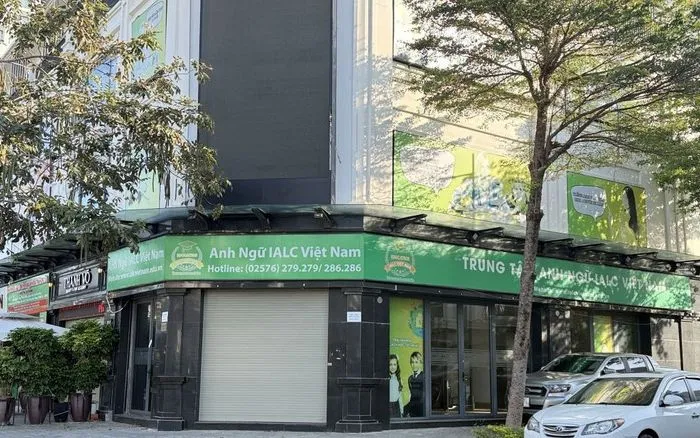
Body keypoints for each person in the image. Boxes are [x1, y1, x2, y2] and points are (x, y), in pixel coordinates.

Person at [405, 351, 424, 417]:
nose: (414, 365)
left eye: (416, 362)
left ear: (420, 363)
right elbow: (412, 395)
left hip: (421, 408)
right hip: (413, 408)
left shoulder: (424, 376)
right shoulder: (410, 378)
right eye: (412, 362)